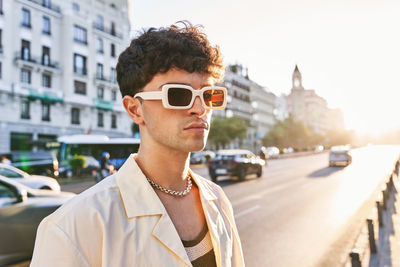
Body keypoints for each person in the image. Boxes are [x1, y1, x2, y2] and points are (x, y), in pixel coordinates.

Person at [31, 21, 245, 267]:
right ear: (134, 109)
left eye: (209, 96)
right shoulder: (73, 228)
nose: (199, 109)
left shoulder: (217, 200)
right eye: (178, 95)